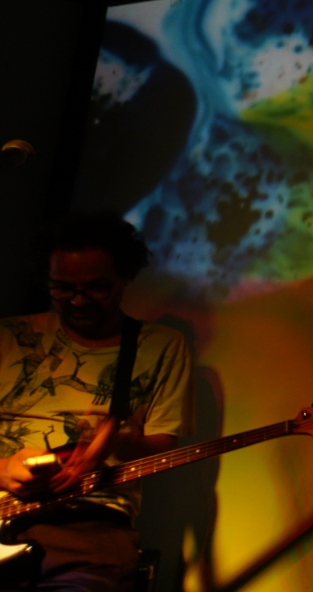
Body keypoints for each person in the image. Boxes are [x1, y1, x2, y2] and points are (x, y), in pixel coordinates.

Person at [0, 214, 194, 591]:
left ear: (125, 277)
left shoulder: (162, 346)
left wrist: (119, 440)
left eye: (96, 287)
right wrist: (5, 469)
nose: (77, 300)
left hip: (88, 527)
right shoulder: (8, 336)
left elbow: (163, 445)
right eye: (61, 287)